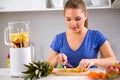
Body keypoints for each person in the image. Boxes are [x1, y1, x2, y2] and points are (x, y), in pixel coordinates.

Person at [48, 0, 117, 70]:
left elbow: (113, 61)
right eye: (68, 19)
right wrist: (56, 59)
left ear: (85, 15)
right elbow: (47, 67)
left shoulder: (96, 36)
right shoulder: (59, 38)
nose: (73, 24)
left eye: (77, 19)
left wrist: (93, 61)